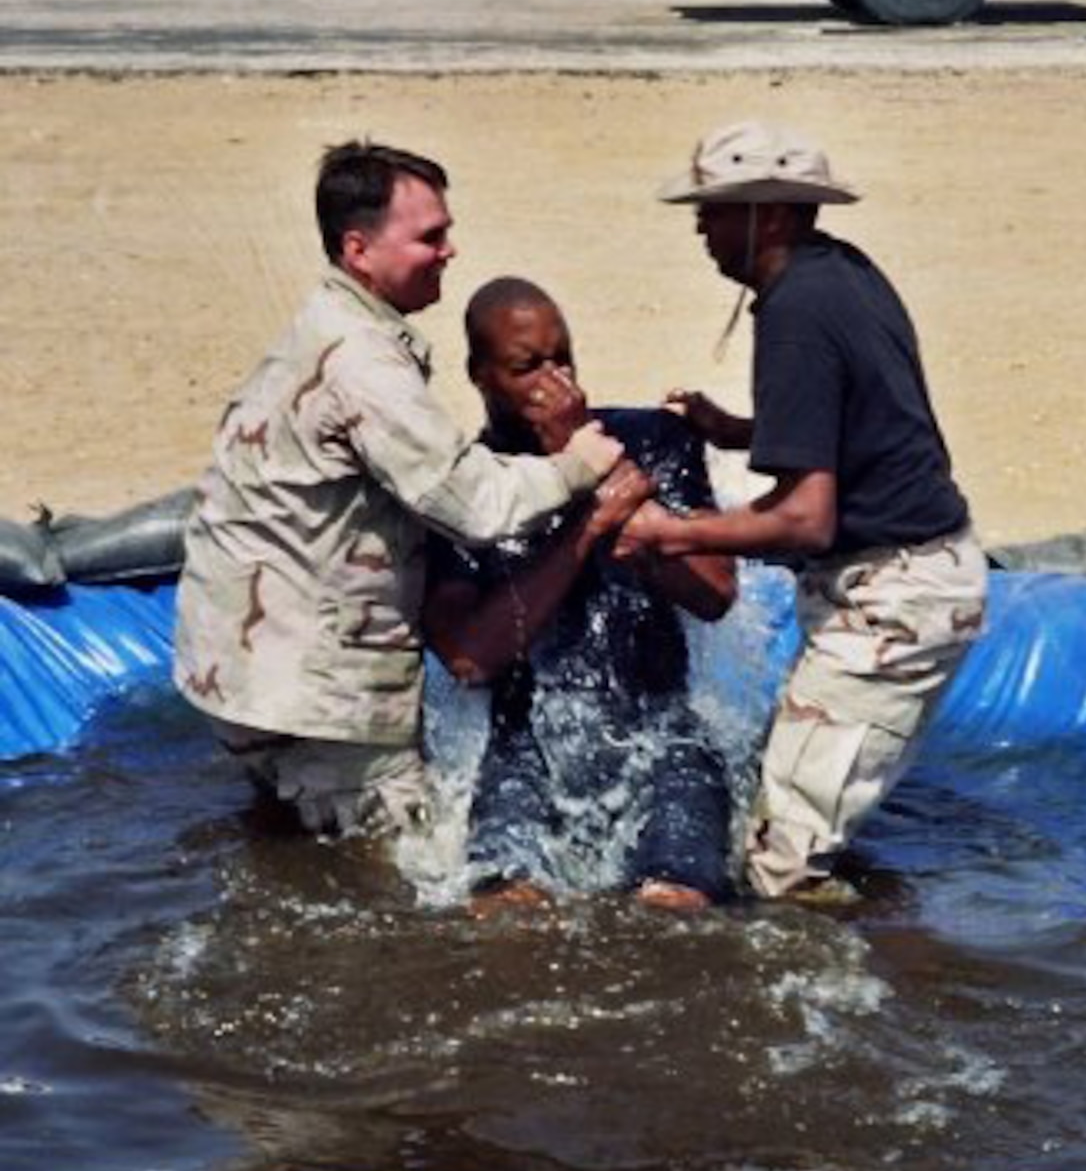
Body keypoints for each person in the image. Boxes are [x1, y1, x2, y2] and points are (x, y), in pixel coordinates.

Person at [173, 141, 623, 837]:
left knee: (285, 840)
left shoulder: (317, 327)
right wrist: (578, 464)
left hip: (231, 669)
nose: (450, 251)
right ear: (358, 250)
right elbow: (473, 503)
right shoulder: (363, 364)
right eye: (430, 237)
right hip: (317, 689)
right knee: (410, 868)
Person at [613, 120, 988, 902]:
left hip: (892, 597)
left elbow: (804, 520)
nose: (700, 227)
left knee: (780, 866)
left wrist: (668, 532)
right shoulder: (839, 274)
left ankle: (851, 996)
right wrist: (739, 430)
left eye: (716, 210)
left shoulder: (795, 310)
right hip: (910, 580)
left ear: (772, 216)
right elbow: (857, 419)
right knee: (788, 810)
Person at [423, 277, 737, 912]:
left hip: (661, 732)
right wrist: (589, 519)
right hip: (525, 750)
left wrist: (604, 468)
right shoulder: (466, 491)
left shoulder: (650, 440)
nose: (556, 380)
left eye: (563, 357)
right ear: (479, 375)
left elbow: (715, 592)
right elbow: (469, 660)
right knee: (505, 907)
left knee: (678, 903)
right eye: (527, 366)